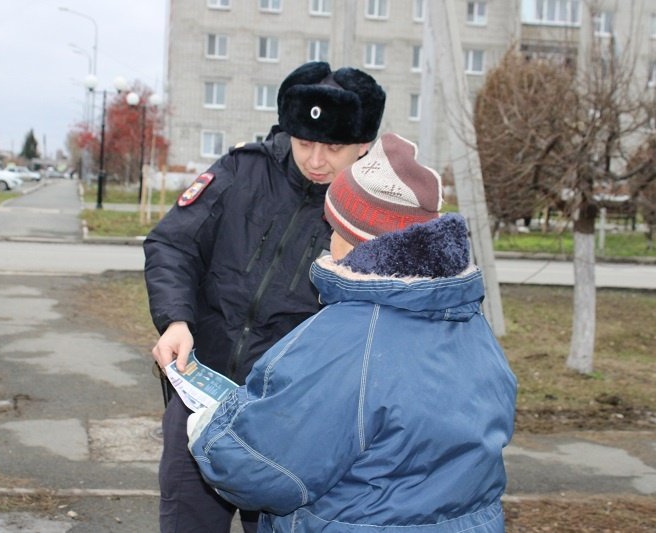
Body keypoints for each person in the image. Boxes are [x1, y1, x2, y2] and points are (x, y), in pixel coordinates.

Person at [187, 132, 518, 532]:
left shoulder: (344, 337)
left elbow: (262, 473)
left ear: (351, 237)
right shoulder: (471, 323)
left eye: (333, 226)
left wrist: (206, 428)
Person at [143, 61, 386, 532]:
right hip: (201, 397)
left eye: (333, 147)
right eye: (304, 142)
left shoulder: (371, 212)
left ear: (363, 146)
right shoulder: (242, 170)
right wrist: (175, 320)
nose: (316, 160)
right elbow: (172, 244)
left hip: (291, 419)